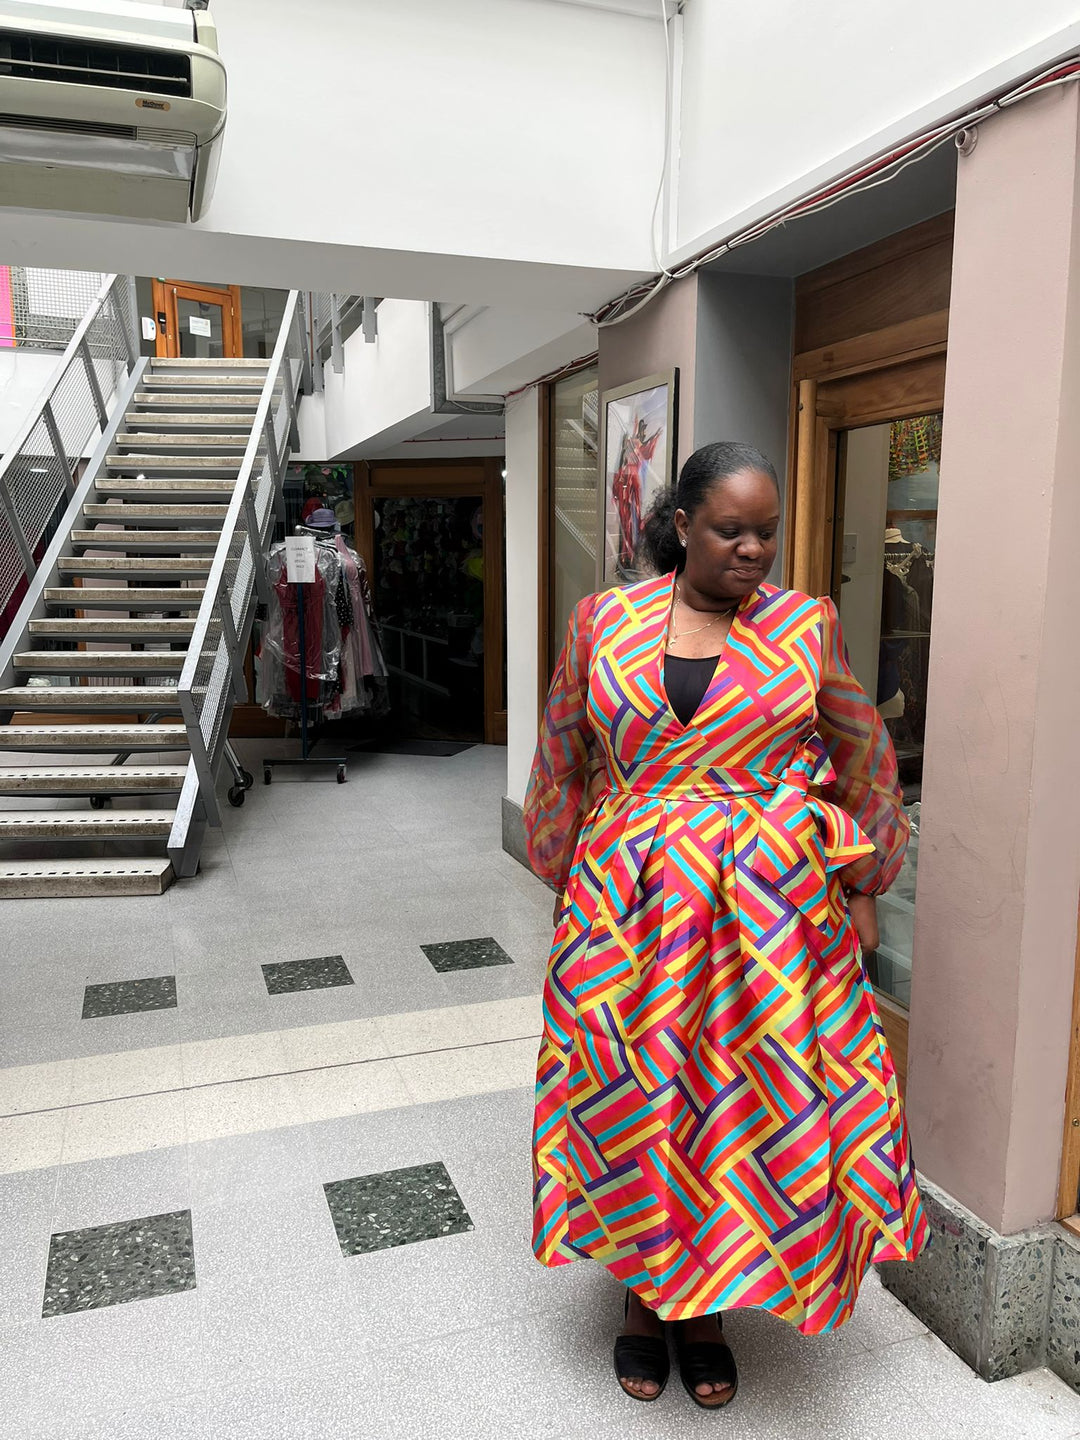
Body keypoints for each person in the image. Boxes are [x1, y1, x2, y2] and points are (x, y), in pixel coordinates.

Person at [523, 441, 927, 1409]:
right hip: (628, 910)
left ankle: (702, 1312)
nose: (754, 550)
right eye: (731, 530)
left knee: (737, 1104)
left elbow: (862, 752)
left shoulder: (802, 626)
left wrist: (867, 878)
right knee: (632, 1092)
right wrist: (571, 884)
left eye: (767, 534)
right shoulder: (602, 624)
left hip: (768, 919)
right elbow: (561, 757)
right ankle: (640, 1293)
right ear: (679, 527)